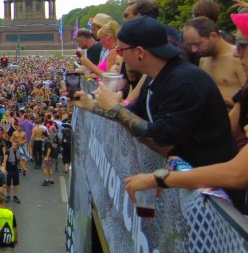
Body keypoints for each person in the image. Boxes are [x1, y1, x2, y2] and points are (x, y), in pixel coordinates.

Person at [75, 16, 238, 169]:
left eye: (121, 50)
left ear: (139, 52)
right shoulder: (157, 76)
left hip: (210, 188)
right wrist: (92, 106)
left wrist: (116, 110)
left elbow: (163, 142)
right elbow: (135, 115)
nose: (120, 56)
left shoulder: (185, 82)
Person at [183, 16, 246, 107]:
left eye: (197, 44)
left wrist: (214, 97)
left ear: (213, 36)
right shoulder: (204, 60)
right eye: (190, 45)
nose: (193, 50)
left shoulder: (238, 58)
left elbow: (245, 100)